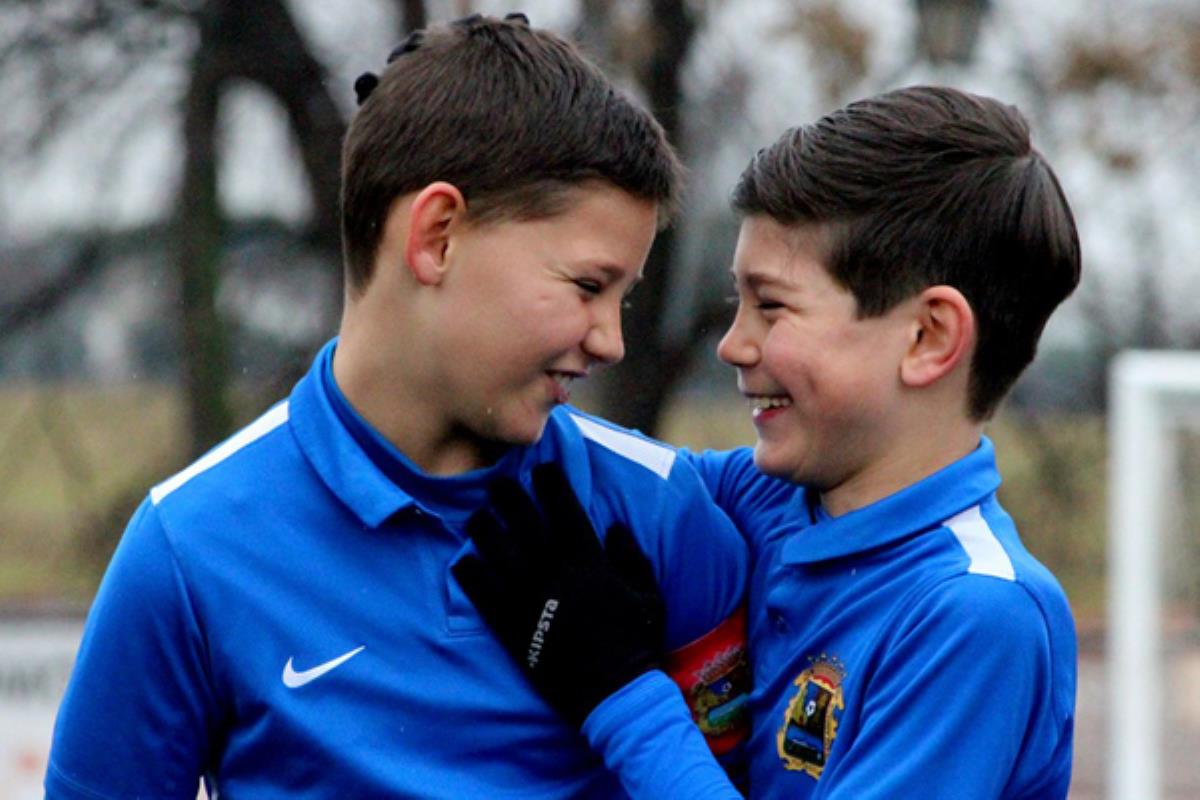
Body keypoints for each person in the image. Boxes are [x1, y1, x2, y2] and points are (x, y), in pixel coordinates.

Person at [45, 14, 750, 799]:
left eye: (624, 297)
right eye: (588, 286)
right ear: (437, 236)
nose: (611, 340)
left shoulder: (661, 514)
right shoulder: (187, 547)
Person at [458, 85, 1081, 798]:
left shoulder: (976, 614)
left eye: (772, 306)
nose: (732, 344)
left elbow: (621, 690)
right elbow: (579, 450)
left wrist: (620, 690)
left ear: (927, 337)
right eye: (737, 301)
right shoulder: (763, 497)